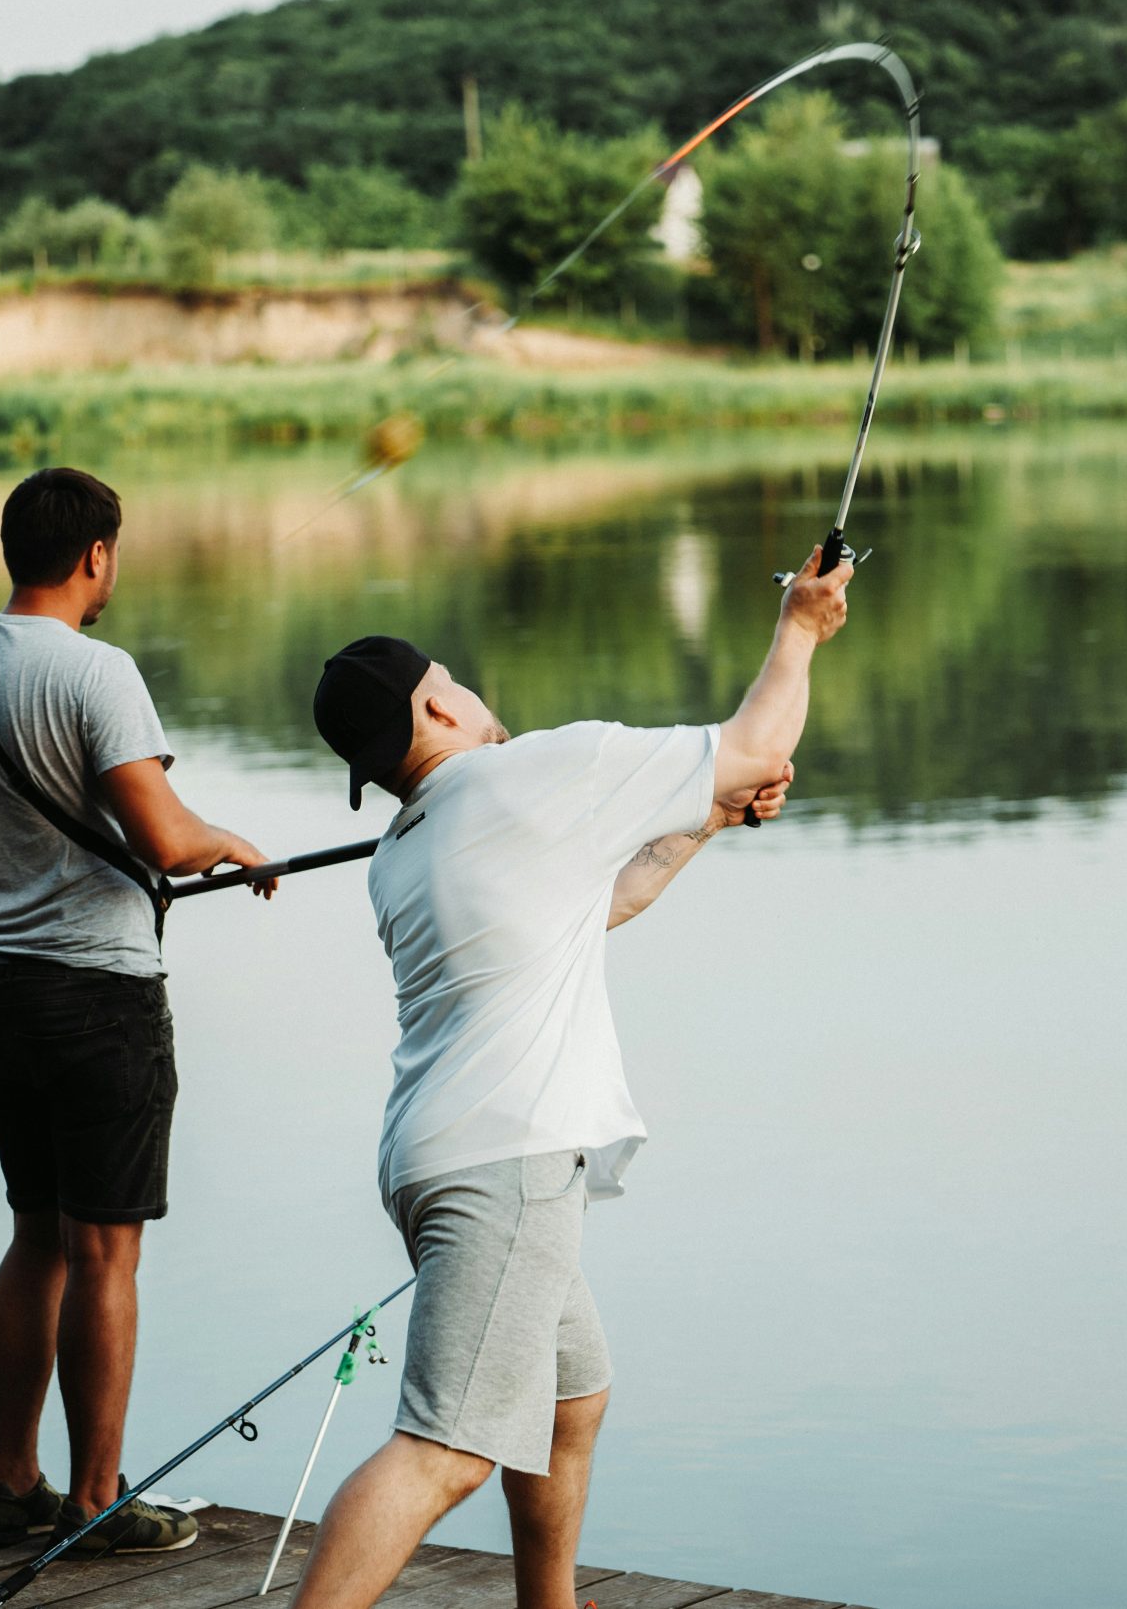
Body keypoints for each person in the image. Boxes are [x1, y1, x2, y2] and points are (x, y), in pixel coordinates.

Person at [295, 543, 853, 1609]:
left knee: (569, 1399)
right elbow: (754, 743)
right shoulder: (527, 774)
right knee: (444, 1448)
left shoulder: (405, 851)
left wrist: (712, 818)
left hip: (442, 1158)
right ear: (434, 714)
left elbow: (607, 901)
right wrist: (799, 627)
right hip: (507, 1159)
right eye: (447, 678)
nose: (466, 686)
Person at [0, 466, 272, 1557]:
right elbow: (161, 838)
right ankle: (95, 1499)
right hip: (98, 996)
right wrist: (233, 843)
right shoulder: (97, 671)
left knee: (34, 1232)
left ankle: (9, 1485)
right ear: (96, 555)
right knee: (104, 1254)